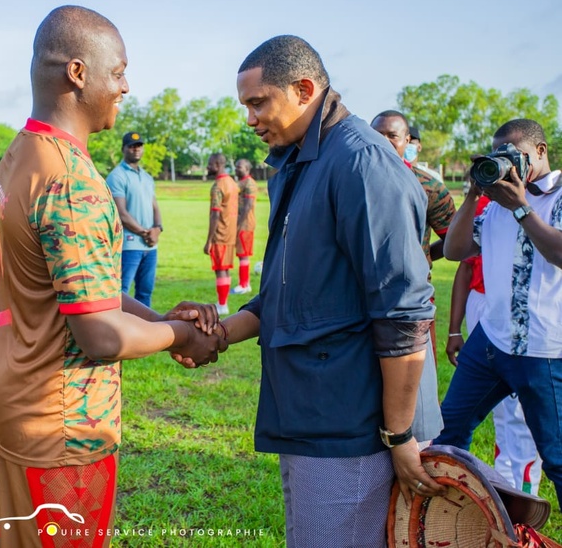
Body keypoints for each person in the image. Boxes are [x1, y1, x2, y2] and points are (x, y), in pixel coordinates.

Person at [182, 34, 444, 546]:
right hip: (311, 410)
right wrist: (216, 332)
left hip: (355, 427)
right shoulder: (300, 160)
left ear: (304, 89)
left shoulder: (361, 163)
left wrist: (400, 434)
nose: (251, 118)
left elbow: (404, 315)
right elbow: (289, 293)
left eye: (259, 103)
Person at [0, 5, 221, 548]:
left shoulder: (23, 153)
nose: (126, 86)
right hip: (60, 422)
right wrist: (180, 335)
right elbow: (100, 334)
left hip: (10, 391)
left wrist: (157, 318)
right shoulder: (72, 182)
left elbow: (80, 289)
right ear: (78, 73)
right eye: (119, 72)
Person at [437, 118, 562, 510]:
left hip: (542, 351)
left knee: (557, 457)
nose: (508, 166)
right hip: (490, 342)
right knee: (447, 433)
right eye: (499, 158)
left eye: (516, 156)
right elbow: (455, 251)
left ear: (540, 152)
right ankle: (453, 518)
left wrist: (522, 207)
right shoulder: (495, 203)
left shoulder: (555, 198)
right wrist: (475, 194)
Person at [446, 191, 543, 495]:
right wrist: (453, 330)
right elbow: (461, 261)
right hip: (485, 309)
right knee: (498, 412)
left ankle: (526, 492)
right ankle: (503, 490)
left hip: (526, 318)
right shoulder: (486, 205)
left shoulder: (544, 203)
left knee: (521, 415)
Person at [370, 110, 456, 446]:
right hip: (362, 297)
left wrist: (422, 258)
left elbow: (454, 238)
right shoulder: (354, 178)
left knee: (416, 382)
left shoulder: (427, 185)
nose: (384, 141)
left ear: (408, 142)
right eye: (377, 134)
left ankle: (416, 444)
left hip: (411, 301)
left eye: (392, 135)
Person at [105, 131, 162, 307]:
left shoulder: (146, 177)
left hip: (150, 246)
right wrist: (146, 233)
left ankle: (144, 330)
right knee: (121, 292)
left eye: (139, 146)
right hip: (129, 245)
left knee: (145, 292)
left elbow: (155, 206)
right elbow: (121, 213)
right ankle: (119, 331)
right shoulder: (117, 176)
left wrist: (158, 229)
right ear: (124, 149)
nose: (136, 149)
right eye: (131, 146)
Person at [204, 153, 239, 315]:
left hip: (220, 234)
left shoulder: (218, 186)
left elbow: (215, 214)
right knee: (225, 269)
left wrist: (209, 241)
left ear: (217, 165)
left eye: (210, 164)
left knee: (220, 269)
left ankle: (222, 304)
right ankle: (223, 302)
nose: (207, 167)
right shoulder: (232, 183)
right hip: (231, 233)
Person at [233, 158, 257, 294]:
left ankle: (244, 284)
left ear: (247, 169)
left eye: (239, 167)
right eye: (236, 166)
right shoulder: (240, 182)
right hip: (239, 223)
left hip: (245, 224)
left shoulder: (249, 184)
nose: (237, 169)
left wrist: (239, 224)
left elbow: (247, 206)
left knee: (244, 254)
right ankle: (244, 283)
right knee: (241, 253)